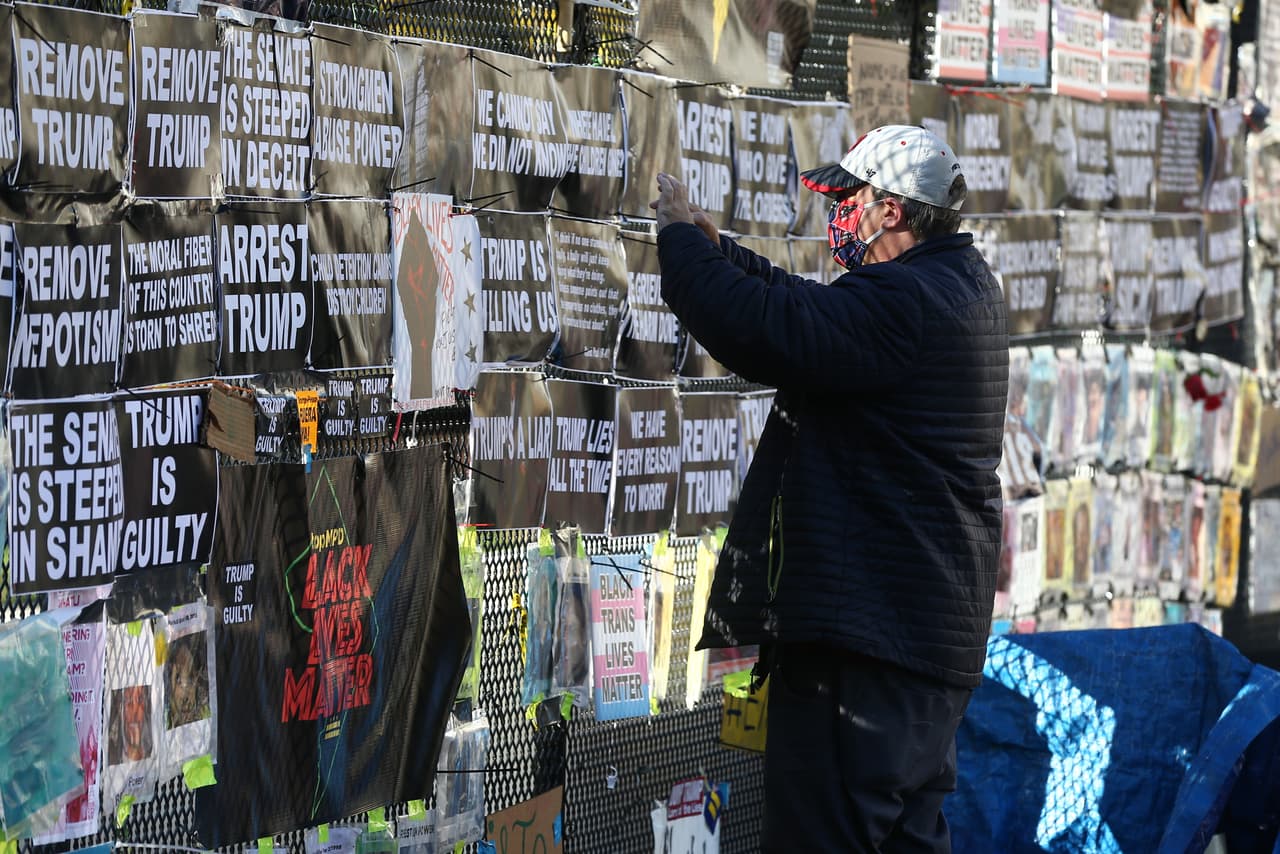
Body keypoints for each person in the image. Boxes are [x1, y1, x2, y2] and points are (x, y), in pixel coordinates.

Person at [652, 124, 1009, 852]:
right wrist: (722, 252)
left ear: (892, 212)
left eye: (852, 199)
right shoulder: (958, 285)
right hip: (916, 648)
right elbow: (813, 313)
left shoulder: (905, 302)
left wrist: (681, 246)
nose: (839, 214)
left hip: (869, 647)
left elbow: (768, 327)